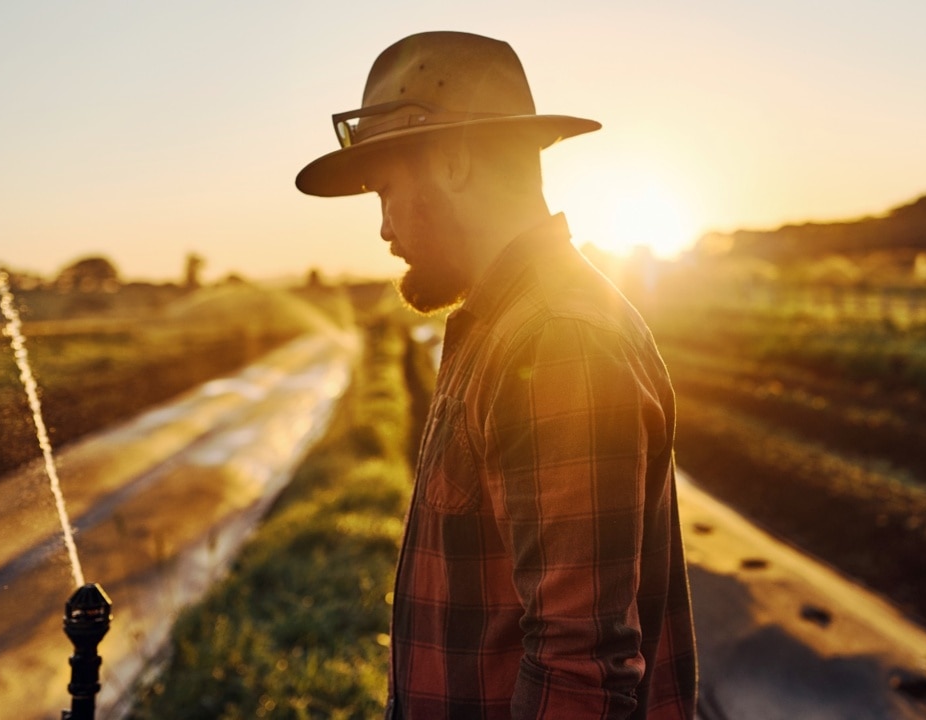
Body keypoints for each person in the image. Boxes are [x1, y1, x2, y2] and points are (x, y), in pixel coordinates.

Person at [296, 31, 697, 720]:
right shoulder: (501, 326)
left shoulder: (556, 340)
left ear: (453, 160)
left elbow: (579, 674)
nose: (384, 229)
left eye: (386, 190)